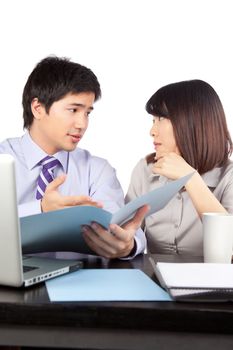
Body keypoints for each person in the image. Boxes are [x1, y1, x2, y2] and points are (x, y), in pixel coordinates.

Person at [0, 56, 148, 259]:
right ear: (38, 108)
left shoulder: (97, 170)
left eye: (87, 112)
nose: (82, 124)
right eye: (73, 110)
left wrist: (128, 245)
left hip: (79, 282)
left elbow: (122, 225)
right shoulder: (3, 159)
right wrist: (41, 210)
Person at [126, 79, 233, 256]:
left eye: (161, 119)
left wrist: (190, 178)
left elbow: (228, 248)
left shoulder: (228, 176)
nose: (152, 131)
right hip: (154, 279)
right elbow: (129, 233)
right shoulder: (145, 170)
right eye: (153, 120)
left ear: (192, 121)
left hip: (213, 281)